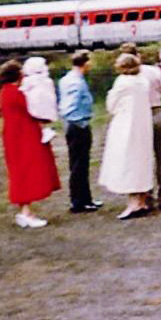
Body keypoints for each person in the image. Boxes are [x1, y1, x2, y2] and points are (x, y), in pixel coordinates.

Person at [0, 59, 61, 228]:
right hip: (23, 135)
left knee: (20, 171)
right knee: (27, 171)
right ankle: (26, 212)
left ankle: (26, 210)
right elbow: (34, 110)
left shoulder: (6, 92)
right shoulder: (15, 93)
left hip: (15, 135)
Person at [119, 43, 161, 211]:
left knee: (142, 158)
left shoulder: (125, 77)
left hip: (138, 117)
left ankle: (146, 196)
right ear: (139, 55)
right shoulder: (154, 71)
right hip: (158, 113)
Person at [99, 52, 154, 220]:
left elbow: (111, 105)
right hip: (143, 125)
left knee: (128, 161)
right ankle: (142, 199)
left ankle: (133, 203)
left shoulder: (122, 82)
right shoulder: (143, 81)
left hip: (125, 126)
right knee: (142, 160)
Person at [58, 50, 102, 214]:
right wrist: (76, 120)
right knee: (79, 165)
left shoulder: (68, 79)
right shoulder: (76, 82)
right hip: (78, 125)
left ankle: (85, 198)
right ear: (86, 63)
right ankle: (79, 201)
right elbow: (69, 106)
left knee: (80, 164)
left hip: (75, 125)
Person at [21, 56, 58, 145]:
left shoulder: (29, 80)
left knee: (38, 116)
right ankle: (47, 129)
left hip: (36, 103)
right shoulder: (47, 80)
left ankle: (45, 131)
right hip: (47, 104)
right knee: (44, 118)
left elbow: (23, 90)